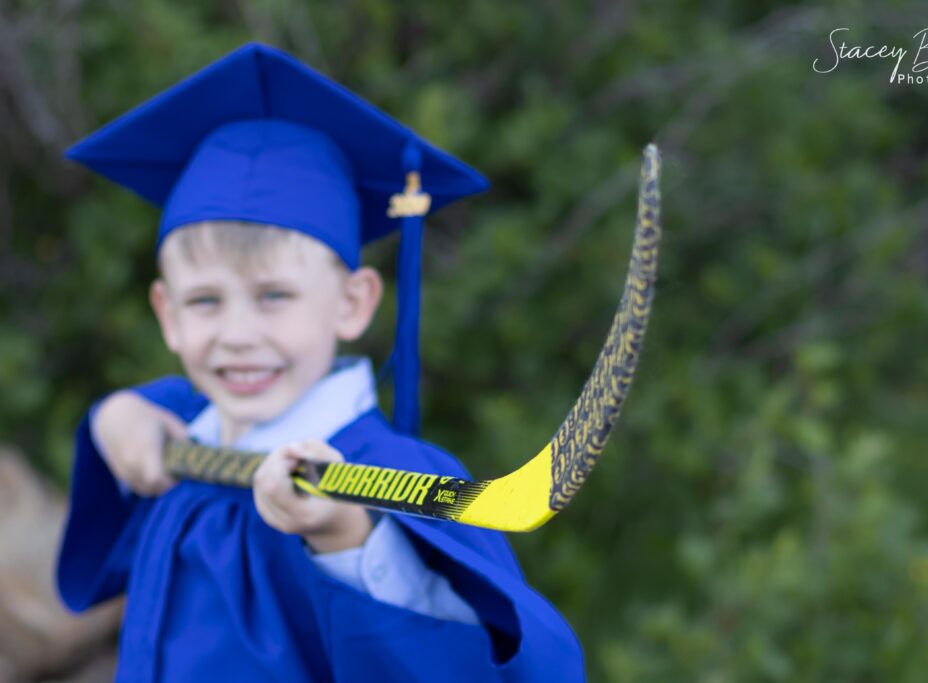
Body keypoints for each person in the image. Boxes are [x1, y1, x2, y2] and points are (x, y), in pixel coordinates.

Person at [56, 42, 585, 681]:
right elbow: (167, 416)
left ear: (352, 304)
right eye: (204, 302)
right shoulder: (187, 445)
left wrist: (346, 538)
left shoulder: (383, 479)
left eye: (274, 296)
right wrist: (116, 413)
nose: (237, 335)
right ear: (167, 314)